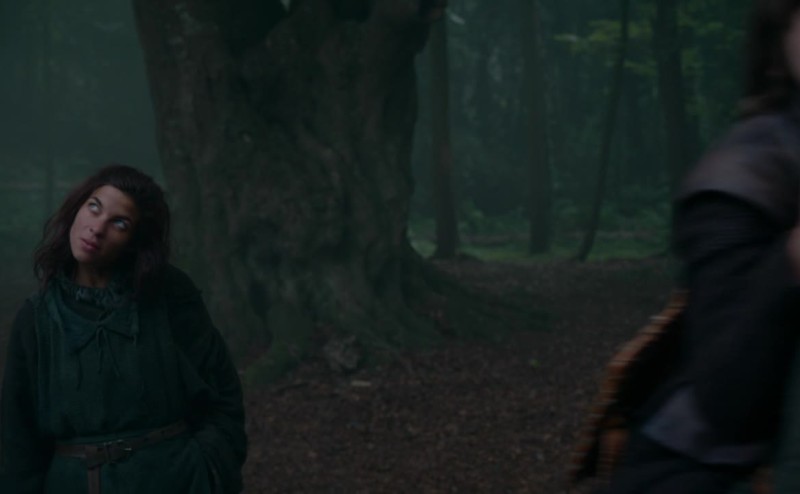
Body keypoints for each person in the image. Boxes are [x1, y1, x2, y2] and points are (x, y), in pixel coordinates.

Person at [598, 1, 800, 493]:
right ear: (780, 42)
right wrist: (791, 262)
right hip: (705, 469)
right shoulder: (745, 174)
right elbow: (725, 399)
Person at [0, 164, 247, 493]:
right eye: (94, 207)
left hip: (176, 481)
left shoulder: (169, 294)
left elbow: (221, 391)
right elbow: (18, 439)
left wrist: (212, 468)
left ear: (134, 241)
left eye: (119, 223)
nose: (97, 228)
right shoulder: (36, 318)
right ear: (77, 208)